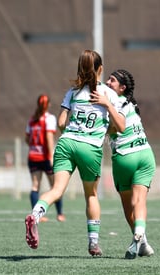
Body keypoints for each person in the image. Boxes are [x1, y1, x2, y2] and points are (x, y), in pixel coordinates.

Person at [24, 50, 126, 256]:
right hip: (90, 148)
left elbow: (61, 122)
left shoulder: (72, 92)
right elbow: (122, 126)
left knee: (57, 190)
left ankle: (35, 215)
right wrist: (105, 115)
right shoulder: (108, 93)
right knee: (91, 195)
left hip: (66, 143)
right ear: (100, 69)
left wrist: (73, 133)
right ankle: (93, 244)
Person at [105, 69, 156, 259]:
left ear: (122, 87)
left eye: (112, 80)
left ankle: (139, 238)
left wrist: (105, 105)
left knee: (128, 205)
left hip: (125, 156)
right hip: (145, 154)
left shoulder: (113, 102)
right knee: (139, 201)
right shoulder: (131, 103)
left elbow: (119, 126)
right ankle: (141, 240)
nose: (108, 83)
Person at [25, 94, 65, 223]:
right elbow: (49, 139)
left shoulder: (32, 120)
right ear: (48, 105)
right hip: (46, 158)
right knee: (56, 187)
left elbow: (27, 139)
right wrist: (52, 156)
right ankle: (59, 214)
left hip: (33, 156)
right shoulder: (49, 118)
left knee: (35, 186)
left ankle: (36, 214)